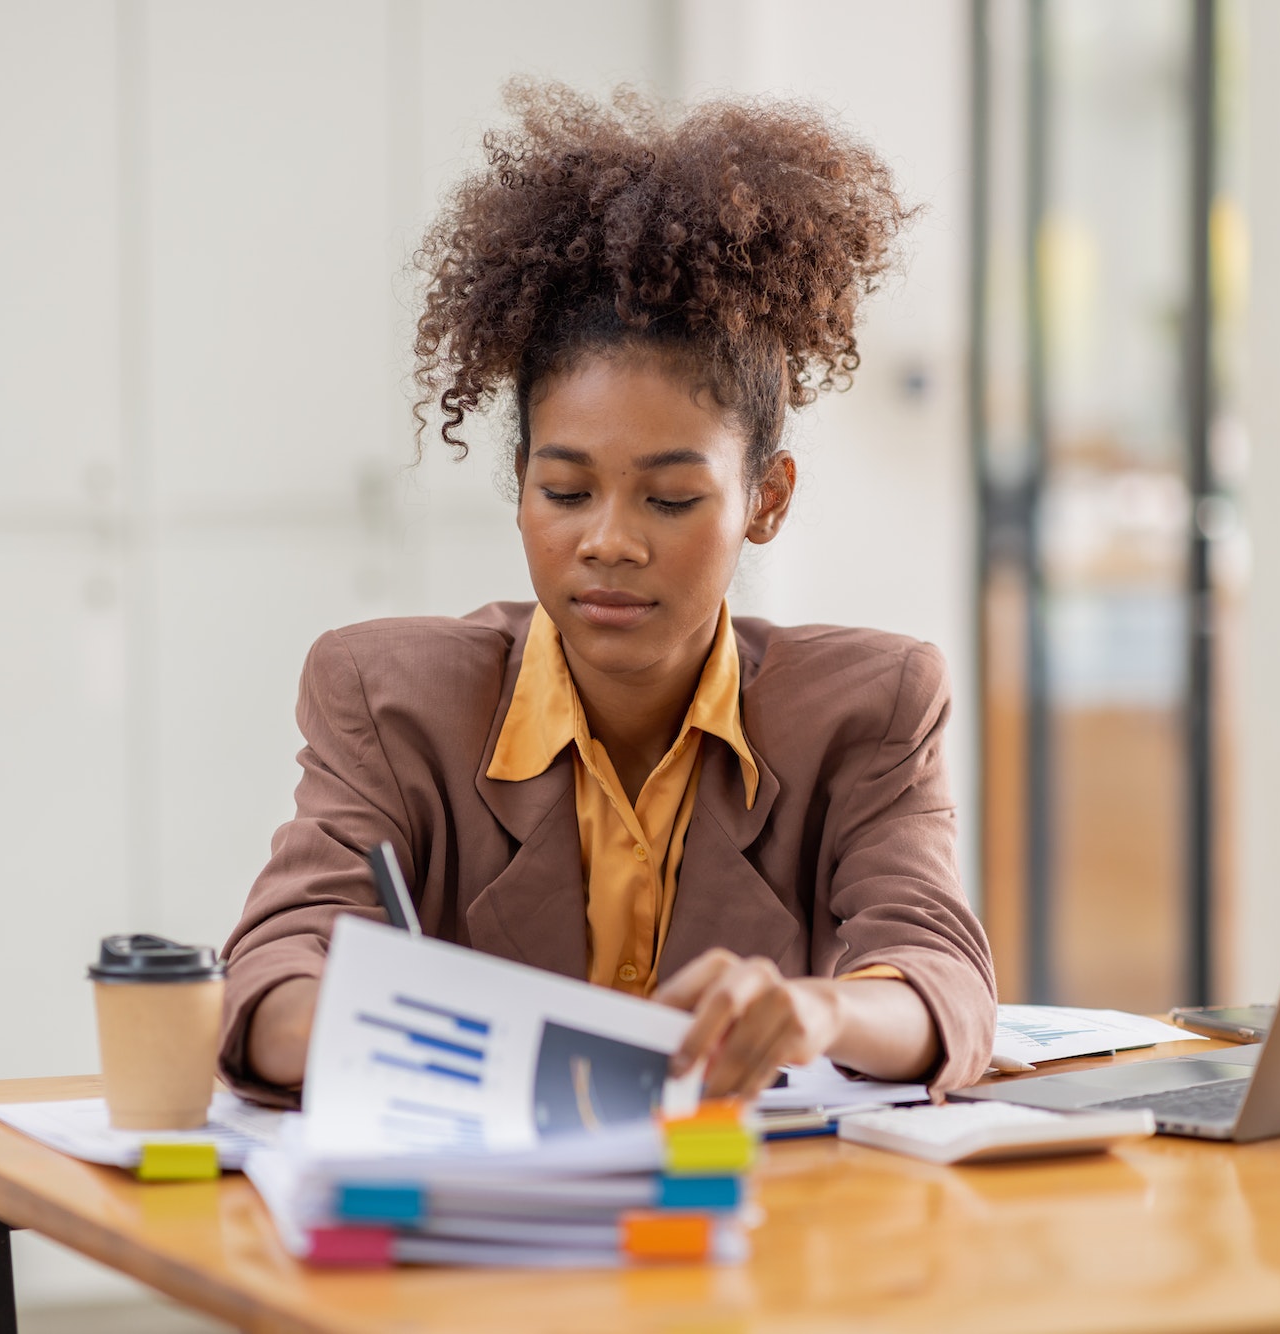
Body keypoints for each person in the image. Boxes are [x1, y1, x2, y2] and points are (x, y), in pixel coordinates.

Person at [219, 84, 994, 1107]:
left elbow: (937, 979)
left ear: (765, 499)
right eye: (565, 490)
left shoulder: (870, 703)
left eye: (670, 497)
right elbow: (269, 986)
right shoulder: (387, 694)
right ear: (520, 486)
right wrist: (468, 1038)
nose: (608, 541)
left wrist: (822, 1010)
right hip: (474, 1239)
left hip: (751, 1231)